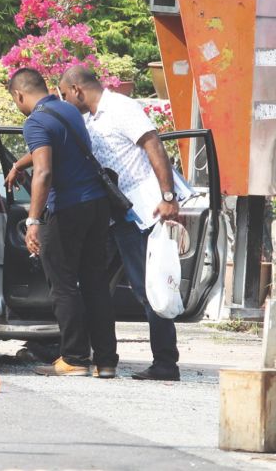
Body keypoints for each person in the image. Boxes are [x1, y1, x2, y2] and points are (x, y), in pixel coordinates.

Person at [58, 65, 181, 381]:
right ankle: (75, 352)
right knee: (90, 283)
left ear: (77, 90)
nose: (64, 101)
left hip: (141, 211)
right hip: (111, 215)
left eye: (64, 94)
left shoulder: (121, 108)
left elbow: (153, 144)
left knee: (147, 287)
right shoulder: (89, 118)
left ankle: (166, 362)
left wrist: (168, 195)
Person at [5, 68, 118, 378]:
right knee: (95, 283)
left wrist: (33, 220)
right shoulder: (68, 110)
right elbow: (56, 150)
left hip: (68, 208)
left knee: (63, 284)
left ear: (19, 95)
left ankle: (74, 358)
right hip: (96, 206)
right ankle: (106, 361)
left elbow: (43, 171)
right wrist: (18, 163)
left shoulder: (35, 121)